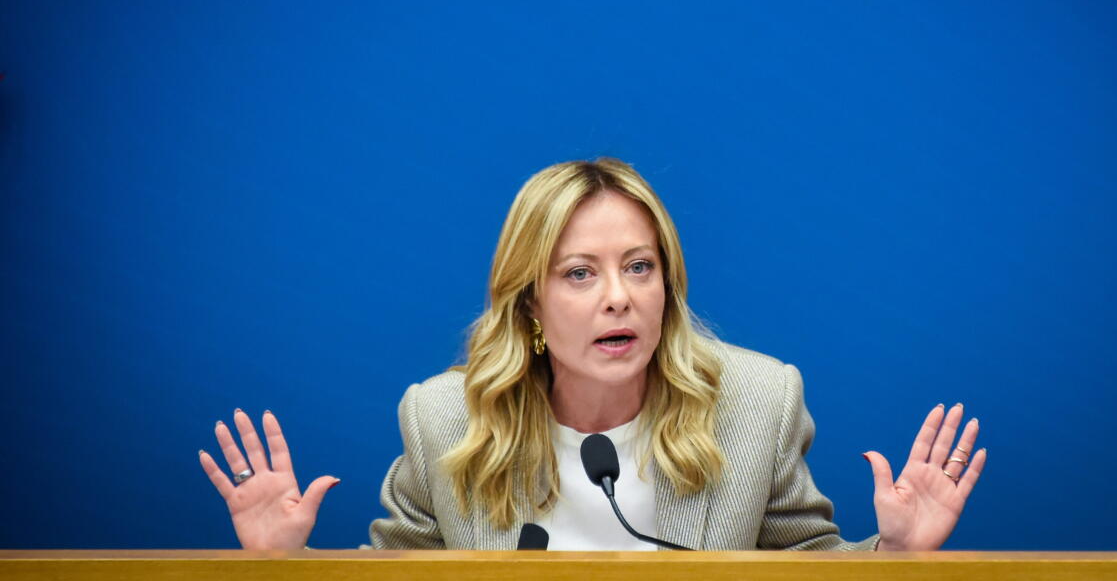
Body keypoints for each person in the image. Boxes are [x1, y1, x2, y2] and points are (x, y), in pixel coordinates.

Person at [199, 158, 986, 551]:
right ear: (530, 303)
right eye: (580, 273)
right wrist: (282, 567)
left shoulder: (756, 402)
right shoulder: (443, 420)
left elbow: (807, 571)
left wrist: (896, 552)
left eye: (639, 267)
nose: (619, 297)